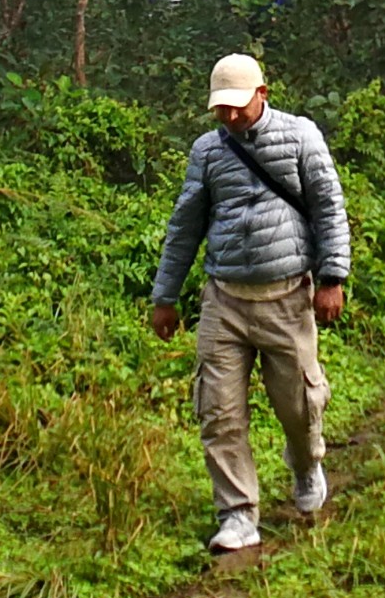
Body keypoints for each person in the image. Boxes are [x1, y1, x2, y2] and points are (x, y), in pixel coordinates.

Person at [150, 53, 351, 553]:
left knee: (299, 405)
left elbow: (328, 206)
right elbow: (185, 225)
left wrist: (332, 278)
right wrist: (165, 296)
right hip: (224, 300)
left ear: (263, 93)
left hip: (286, 298)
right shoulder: (208, 151)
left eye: (239, 106)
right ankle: (237, 513)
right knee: (218, 412)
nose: (232, 117)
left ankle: (306, 467)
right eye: (222, 109)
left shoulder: (302, 136)